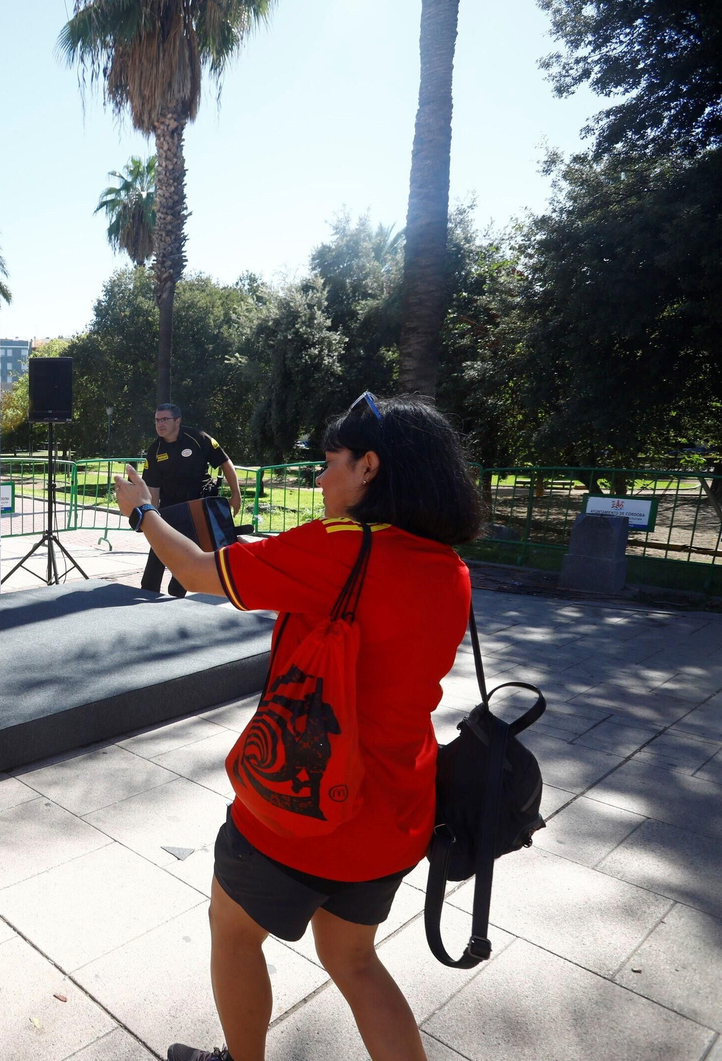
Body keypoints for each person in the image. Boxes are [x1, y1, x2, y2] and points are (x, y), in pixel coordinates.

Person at [112, 392, 485, 1061]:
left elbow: (196, 569)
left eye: (331, 461)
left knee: (231, 929)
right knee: (355, 960)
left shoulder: (340, 549)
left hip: (301, 801)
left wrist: (141, 510)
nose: (319, 477)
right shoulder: (448, 567)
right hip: (395, 809)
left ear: (368, 467)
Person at [140, 403, 242, 597]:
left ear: (177, 420)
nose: (159, 424)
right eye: (157, 420)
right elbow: (153, 488)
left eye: (164, 419)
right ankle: (148, 590)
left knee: (189, 555)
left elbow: (225, 463)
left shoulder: (198, 438)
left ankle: (177, 592)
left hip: (198, 509)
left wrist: (236, 494)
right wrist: (151, 518)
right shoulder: (155, 450)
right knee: (158, 553)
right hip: (170, 509)